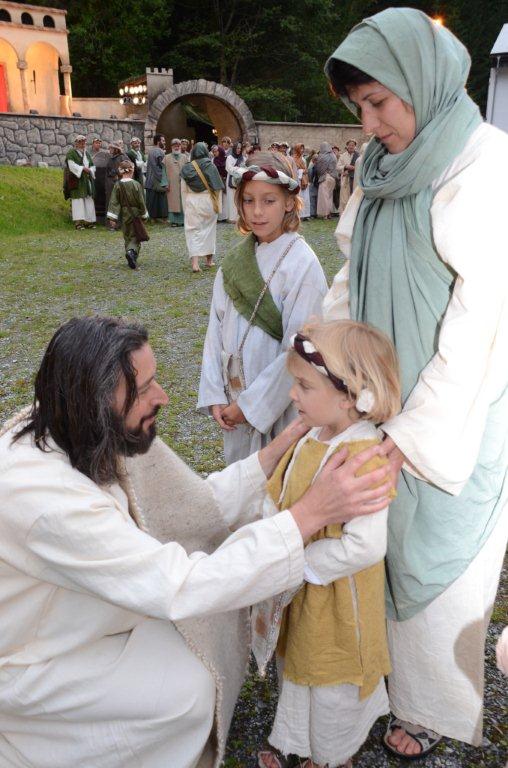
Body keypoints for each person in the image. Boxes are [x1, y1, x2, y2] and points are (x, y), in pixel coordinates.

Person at [0, 315, 392, 768]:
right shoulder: (48, 502)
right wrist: (309, 516)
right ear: (98, 401)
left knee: (211, 617)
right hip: (34, 660)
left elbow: (187, 506)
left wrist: (271, 457)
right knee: (186, 690)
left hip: (86, 617)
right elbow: (180, 586)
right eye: (144, 388)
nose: (162, 397)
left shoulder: (77, 423)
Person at [323, 7, 508, 759]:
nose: (369, 125)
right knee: (380, 546)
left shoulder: (485, 164)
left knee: (440, 563)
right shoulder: (377, 170)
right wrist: (323, 356)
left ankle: (432, 708)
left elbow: (481, 319)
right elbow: (351, 271)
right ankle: (383, 685)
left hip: (453, 408)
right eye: (358, 108)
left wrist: (415, 430)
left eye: (378, 102)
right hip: (380, 394)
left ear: (421, 82)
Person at [255, 319, 400, 768]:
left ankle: (333, 755)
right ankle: (306, 745)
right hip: (302, 590)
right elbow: (279, 489)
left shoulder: (364, 457)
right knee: (301, 666)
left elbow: (365, 546)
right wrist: (269, 533)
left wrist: (299, 562)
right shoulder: (312, 435)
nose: (292, 394)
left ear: (349, 395)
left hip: (336, 599)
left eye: (303, 385)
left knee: (329, 682)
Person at [197, 151, 328, 465]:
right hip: (233, 397)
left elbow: (300, 348)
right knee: (241, 478)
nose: (257, 212)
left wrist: (251, 406)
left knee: (277, 477)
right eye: (248, 200)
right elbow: (215, 331)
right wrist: (216, 393)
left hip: (279, 405)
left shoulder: (302, 264)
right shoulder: (234, 264)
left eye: (269, 201)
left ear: (289, 202)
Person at [180, 141, 224, 273]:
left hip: (192, 200)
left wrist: (185, 207)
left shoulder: (186, 168)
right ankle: (209, 261)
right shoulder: (211, 166)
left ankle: (195, 264)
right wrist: (218, 206)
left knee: (192, 231)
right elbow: (217, 189)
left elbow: (183, 190)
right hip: (208, 200)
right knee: (210, 230)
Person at [106, 159, 149, 270]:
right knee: (136, 235)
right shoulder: (136, 184)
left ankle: (130, 253)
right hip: (136, 214)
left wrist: (112, 218)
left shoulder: (117, 185)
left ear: (121, 171)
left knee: (127, 235)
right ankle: (132, 253)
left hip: (124, 214)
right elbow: (141, 201)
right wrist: (144, 214)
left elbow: (114, 201)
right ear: (132, 170)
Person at [64, 135, 96, 230]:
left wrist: (90, 170)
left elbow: (92, 165)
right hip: (77, 181)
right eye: (80, 142)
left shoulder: (87, 154)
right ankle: (78, 223)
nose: (82, 144)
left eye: (84, 142)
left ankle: (89, 221)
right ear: (76, 143)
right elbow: (71, 165)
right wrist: (82, 169)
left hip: (87, 180)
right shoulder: (71, 153)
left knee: (88, 199)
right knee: (78, 201)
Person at [145, 134, 169, 223]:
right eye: (163, 141)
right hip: (155, 180)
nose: (164, 142)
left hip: (150, 181)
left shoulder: (152, 151)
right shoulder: (159, 152)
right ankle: (161, 218)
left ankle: (153, 218)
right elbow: (159, 167)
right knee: (160, 200)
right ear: (158, 142)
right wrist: (164, 179)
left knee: (153, 201)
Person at [105, 141, 128, 230]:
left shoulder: (123, 157)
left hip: (121, 183)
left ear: (116, 149)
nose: (109, 149)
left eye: (111, 148)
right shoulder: (111, 158)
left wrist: (118, 173)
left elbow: (129, 168)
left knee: (120, 203)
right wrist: (112, 173)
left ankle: (120, 224)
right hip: (111, 184)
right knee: (112, 203)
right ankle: (112, 224)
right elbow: (108, 171)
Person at [164, 138, 186, 227]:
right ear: (171, 147)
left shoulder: (185, 157)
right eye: (175, 146)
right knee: (172, 202)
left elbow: (188, 169)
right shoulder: (166, 158)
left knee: (182, 201)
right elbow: (163, 172)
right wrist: (165, 183)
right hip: (171, 184)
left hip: (183, 183)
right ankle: (173, 221)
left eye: (178, 146)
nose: (176, 147)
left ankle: (183, 221)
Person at [314, 142, 338, 219]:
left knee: (324, 196)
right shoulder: (333, 156)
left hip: (325, 177)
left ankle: (325, 214)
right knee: (330, 196)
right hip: (333, 178)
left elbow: (319, 169)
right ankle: (329, 213)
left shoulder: (322, 156)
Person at [225, 140, 245, 222]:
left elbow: (245, 168)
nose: (238, 150)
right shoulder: (229, 157)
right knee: (231, 199)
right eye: (237, 148)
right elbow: (229, 169)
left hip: (240, 180)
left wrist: (238, 169)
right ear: (234, 148)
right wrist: (238, 168)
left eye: (240, 148)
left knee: (239, 199)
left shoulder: (243, 158)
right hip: (231, 179)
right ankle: (232, 218)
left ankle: (239, 217)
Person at [337, 140, 359, 214]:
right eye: (349, 145)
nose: (351, 147)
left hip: (355, 179)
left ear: (355, 146)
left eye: (353, 145)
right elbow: (337, 167)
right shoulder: (343, 156)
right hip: (345, 180)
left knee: (354, 197)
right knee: (344, 198)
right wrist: (345, 166)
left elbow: (362, 167)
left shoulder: (358, 156)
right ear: (347, 146)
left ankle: (353, 214)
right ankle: (343, 213)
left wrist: (354, 168)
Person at [293, 143, 310, 220]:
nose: (302, 150)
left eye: (303, 148)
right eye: (300, 148)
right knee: (299, 197)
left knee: (305, 198)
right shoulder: (294, 159)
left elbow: (306, 169)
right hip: (298, 180)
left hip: (304, 179)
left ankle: (305, 214)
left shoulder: (303, 159)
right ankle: (300, 214)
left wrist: (305, 171)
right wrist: (302, 171)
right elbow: (294, 170)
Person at [212, 144, 228, 221]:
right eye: (213, 152)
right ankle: (218, 217)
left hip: (225, 180)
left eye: (216, 151)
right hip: (217, 181)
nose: (214, 153)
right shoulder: (213, 160)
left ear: (220, 151)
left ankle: (225, 216)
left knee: (225, 199)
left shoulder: (226, 159)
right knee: (218, 199)